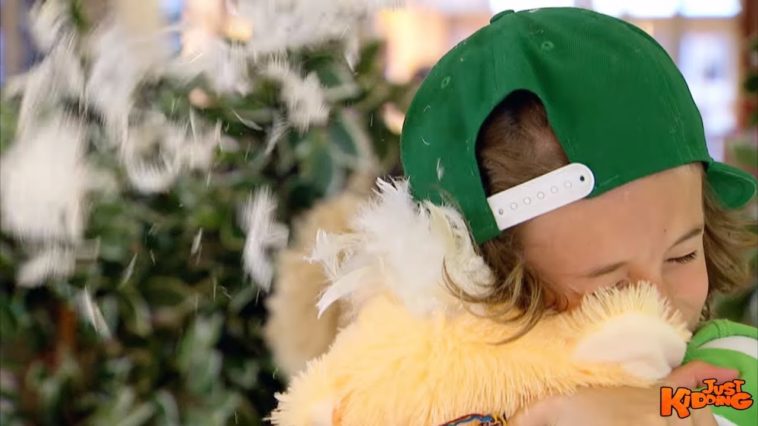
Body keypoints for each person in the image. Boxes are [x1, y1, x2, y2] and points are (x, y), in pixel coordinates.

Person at [398, 7, 756, 425]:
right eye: (609, 284)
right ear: (485, 284)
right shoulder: (417, 394)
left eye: (683, 255)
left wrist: (662, 408)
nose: (658, 304)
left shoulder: (731, 371)